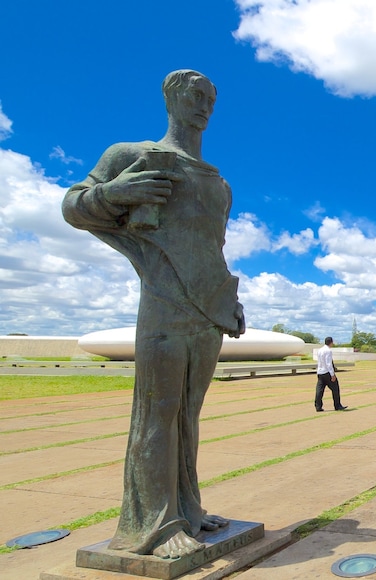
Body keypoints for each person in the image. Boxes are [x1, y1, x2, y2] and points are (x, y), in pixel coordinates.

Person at [63, 70, 244, 558]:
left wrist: (229, 300)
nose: (204, 104)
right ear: (170, 97)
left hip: (207, 312)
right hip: (163, 304)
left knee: (188, 415)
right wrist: (118, 194)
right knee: (157, 414)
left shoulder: (218, 184)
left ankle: (187, 508)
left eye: (211, 98)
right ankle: (155, 527)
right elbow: (74, 205)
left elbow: (213, 251)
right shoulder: (133, 155)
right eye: (195, 95)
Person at [315, 336, 346, 412]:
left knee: (319, 390)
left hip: (320, 372)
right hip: (327, 372)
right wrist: (332, 374)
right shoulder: (328, 351)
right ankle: (337, 405)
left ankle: (318, 406)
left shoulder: (320, 350)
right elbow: (329, 364)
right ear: (331, 342)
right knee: (335, 389)